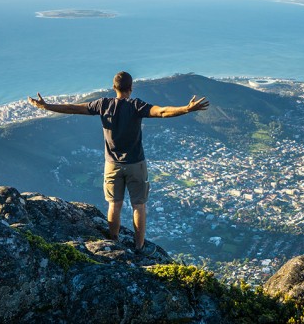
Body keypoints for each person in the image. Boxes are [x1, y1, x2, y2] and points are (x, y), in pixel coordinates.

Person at [28, 71, 209, 254]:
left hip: (112, 164)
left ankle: (113, 241)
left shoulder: (103, 104)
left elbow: (73, 108)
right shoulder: (136, 105)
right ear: (130, 88)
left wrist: (46, 106)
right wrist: (186, 109)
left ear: (114, 87)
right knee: (139, 205)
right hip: (136, 164)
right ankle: (139, 246)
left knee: (114, 204)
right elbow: (161, 111)